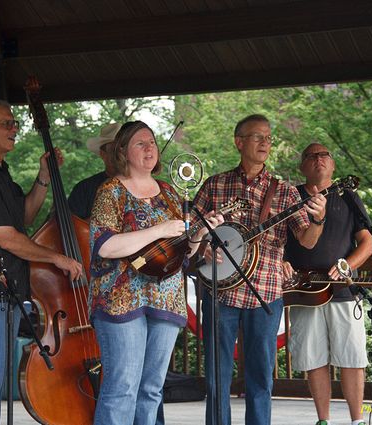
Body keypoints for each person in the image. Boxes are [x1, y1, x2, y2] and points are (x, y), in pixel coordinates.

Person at [0, 98, 83, 425]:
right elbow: (6, 237)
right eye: (7, 123)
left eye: (15, 123)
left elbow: (24, 216)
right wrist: (58, 258)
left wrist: (42, 178)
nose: (15, 129)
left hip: (1, 291)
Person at [193, 114, 327, 425]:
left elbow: (307, 241)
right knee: (217, 381)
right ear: (239, 142)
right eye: (258, 137)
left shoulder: (285, 191)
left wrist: (318, 219)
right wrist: (204, 248)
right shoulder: (215, 184)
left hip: (265, 293)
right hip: (220, 294)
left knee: (260, 383)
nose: (266, 142)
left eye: (268, 137)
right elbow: (192, 232)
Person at [88, 120, 222, 425]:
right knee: (122, 387)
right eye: (140, 143)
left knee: (151, 390)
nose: (150, 148)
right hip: (120, 300)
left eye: (152, 142)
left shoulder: (169, 193)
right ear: (123, 151)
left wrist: (200, 234)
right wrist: (159, 229)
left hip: (166, 299)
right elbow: (105, 247)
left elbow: (182, 253)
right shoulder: (110, 191)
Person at [284, 143, 372, 425]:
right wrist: (282, 261)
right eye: (311, 156)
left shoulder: (347, 195)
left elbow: (367, 242)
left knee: (352, 356)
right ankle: (323, 420)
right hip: (303, 290)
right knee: (313, 358)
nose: (318, 160)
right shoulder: (291, 197)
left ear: (333, 164)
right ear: (302, 167)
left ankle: (357, 420)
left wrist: (349, 264)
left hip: (344, 289)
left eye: (324, 155)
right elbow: (279, 240)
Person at [68, 122, 121, 219]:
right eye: (114, 150)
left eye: (123, 148)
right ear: (103, 154)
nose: (120, 154)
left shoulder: (144, 183)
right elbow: (74, 227)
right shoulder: (84, 189)